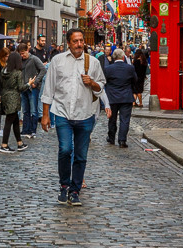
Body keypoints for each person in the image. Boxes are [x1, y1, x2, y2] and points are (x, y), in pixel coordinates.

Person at [41, 29, 106, 207]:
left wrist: (92, 83)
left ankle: (75, 191)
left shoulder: (93, 62)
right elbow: (49, 88)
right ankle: (64, 185)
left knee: (80, 155)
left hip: (85, 114)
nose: (79, 44)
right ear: (68, 43)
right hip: (62, 112)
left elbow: (101, 87)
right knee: (65, 149)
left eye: (81, 41)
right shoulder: (58, 61)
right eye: (75, 41)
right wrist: (45, 115)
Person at [103, 49, 137, 148]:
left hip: (112, 97)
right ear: (123, 57)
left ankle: (111, 137)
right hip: (126, 97)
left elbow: (104, 81)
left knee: (112, 119)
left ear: (114, 57)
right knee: (125, 120)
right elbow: (135, 80)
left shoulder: (108, 69)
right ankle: (122, 140)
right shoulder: (130, 68)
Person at [0, 51, 28, 154]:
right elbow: (21, 87)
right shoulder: (17, 73)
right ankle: (4, 144)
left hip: (5, 96)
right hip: (13, 98)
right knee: (9, 121)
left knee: (15, 120)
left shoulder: (4, 70)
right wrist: (29, 84)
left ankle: (20, 143)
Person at [20, 44, 46, 138]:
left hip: (33, 88)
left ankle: (32, 130)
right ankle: (25, 130)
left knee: (33, 110)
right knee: (25, 110)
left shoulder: (34, 59)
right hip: (24, 87)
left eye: (23, 53)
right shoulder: (21, 60)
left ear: (27, 51)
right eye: (20, 54)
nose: (22, 55)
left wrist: (36, 81)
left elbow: (43, 70)